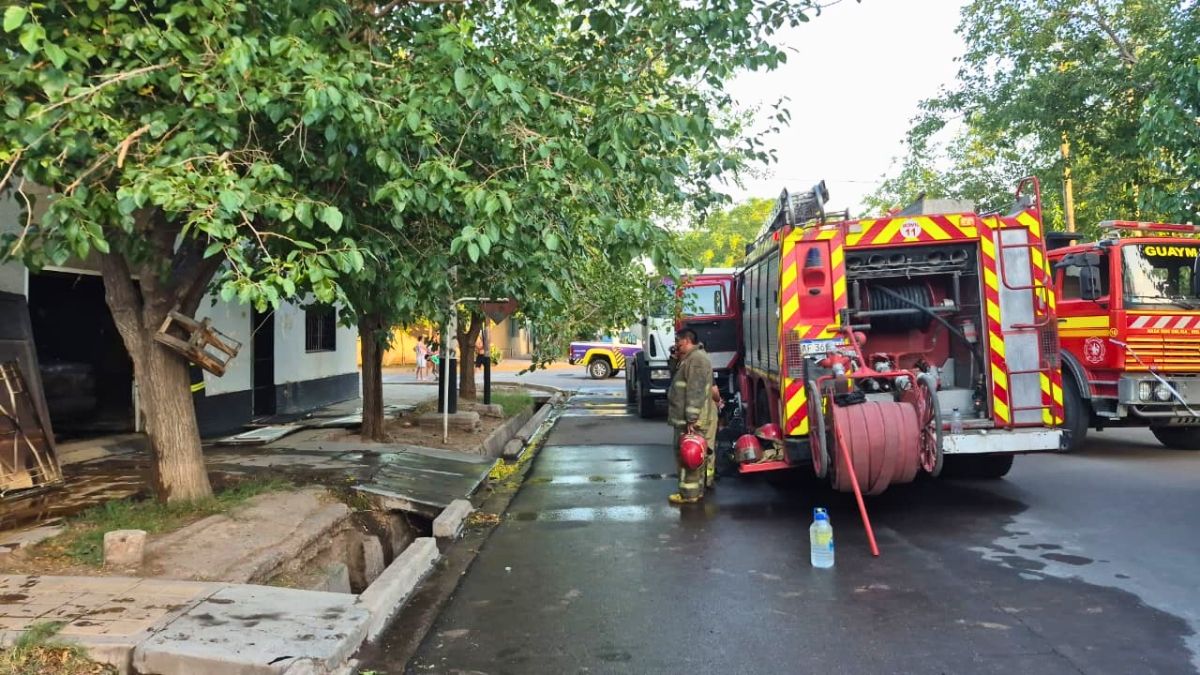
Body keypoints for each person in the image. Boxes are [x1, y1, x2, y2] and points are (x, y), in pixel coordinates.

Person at [666, 328, 718, 504]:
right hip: (685, 419)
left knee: (689, 454)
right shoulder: (690, 358)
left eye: (678, 341)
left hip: (690, 420)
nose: (676, 345)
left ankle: (689, 494)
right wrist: (674, 358)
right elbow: (676, 377)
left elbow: (695, 391)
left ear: (687, 340)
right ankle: (695, 492)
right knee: (689, 455)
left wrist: (692, 418)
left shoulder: (697, 360)